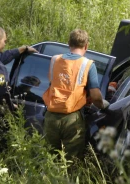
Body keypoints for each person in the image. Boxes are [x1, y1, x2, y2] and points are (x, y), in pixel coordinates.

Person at [42, 29, 110, 160]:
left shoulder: (55, 60)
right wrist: (104, 105)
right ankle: (67, 180)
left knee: (49, 158)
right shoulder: (88, 64)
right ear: (86, 46)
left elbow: (53, 82)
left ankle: (47, 179)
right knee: (71, 161)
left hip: (51, 116)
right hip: (72, 119)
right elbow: (96, 97)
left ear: (68, 43)